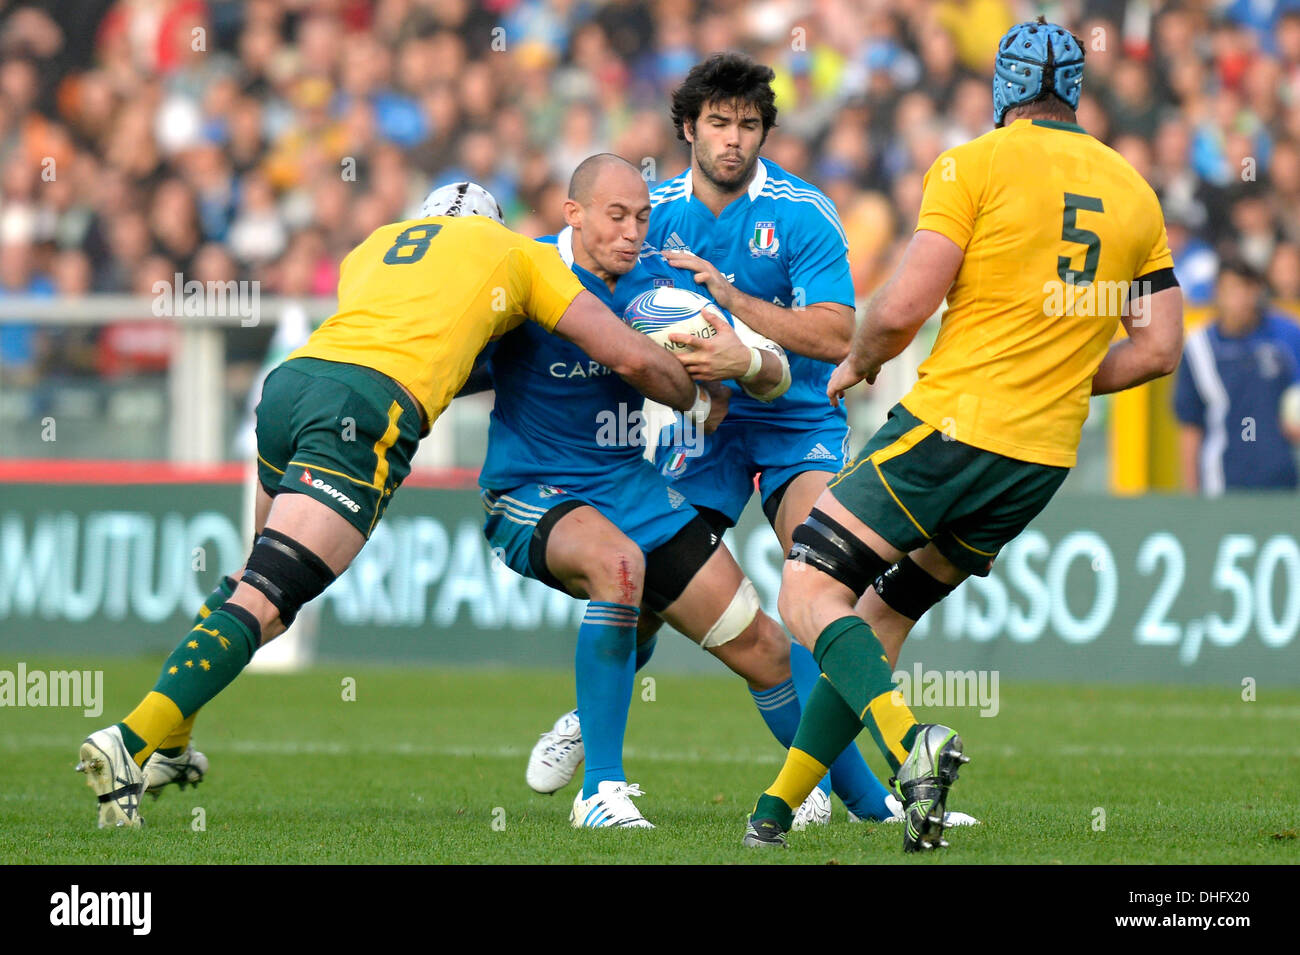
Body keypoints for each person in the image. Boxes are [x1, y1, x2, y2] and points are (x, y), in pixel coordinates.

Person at [75, 181, 700, 828]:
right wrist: (698, 392)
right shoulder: (518, 252)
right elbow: (621, 352)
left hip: (291, 385)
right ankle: (129, 740)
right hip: (363, 408)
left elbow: (419, 331)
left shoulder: (373, 247)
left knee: (252, 580)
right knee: (270, 597)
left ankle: (171, 741)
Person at [742, 17, 1184, 852]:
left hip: (953, 428)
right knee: (880, 617)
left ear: (1005, 86)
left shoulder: (971, 163)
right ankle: (773, 812)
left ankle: (913, 746)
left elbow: (904, 307)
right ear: (1075, 90)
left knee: (806, 587)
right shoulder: (1134, 190)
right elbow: (1159, 347)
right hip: (1040, 459)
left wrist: (858, 360)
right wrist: (1056, 376)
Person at [526, 52, 903, 827]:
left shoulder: (803, 211)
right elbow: (584, 285)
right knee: (652, 590)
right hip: (703, 423)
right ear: (689, 128)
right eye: (720, 122)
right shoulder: (649, 213)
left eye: (750, 124)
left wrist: (732, 302)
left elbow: (838, 335)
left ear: (765, 132)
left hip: (796, 419)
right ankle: (592, 715)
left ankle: (855, 790)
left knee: (819, 580)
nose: (734, 138)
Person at [482, 153, 809, 828]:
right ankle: (599, 791)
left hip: (629, 486)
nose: (633, 232)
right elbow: (456, 363)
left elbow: (769, 375)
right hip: (531, 488)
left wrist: (745, 363)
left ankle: (869, 801)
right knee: (620, 566)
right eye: (616, 216)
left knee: (764, 647)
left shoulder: (662, 278)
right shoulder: (524, 272)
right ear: (573, 214)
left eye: (641, 217)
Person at [1176, 255, 1300, 494]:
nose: (1239, 299)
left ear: (1258, 291)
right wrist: (1191, 491)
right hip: (1221, 481)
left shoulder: (1287, 335)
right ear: (1217, 293)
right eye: (1231, 289)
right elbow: (1191, 425)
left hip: (1281, 480)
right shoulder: (1199, 348)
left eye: (1247, 289)